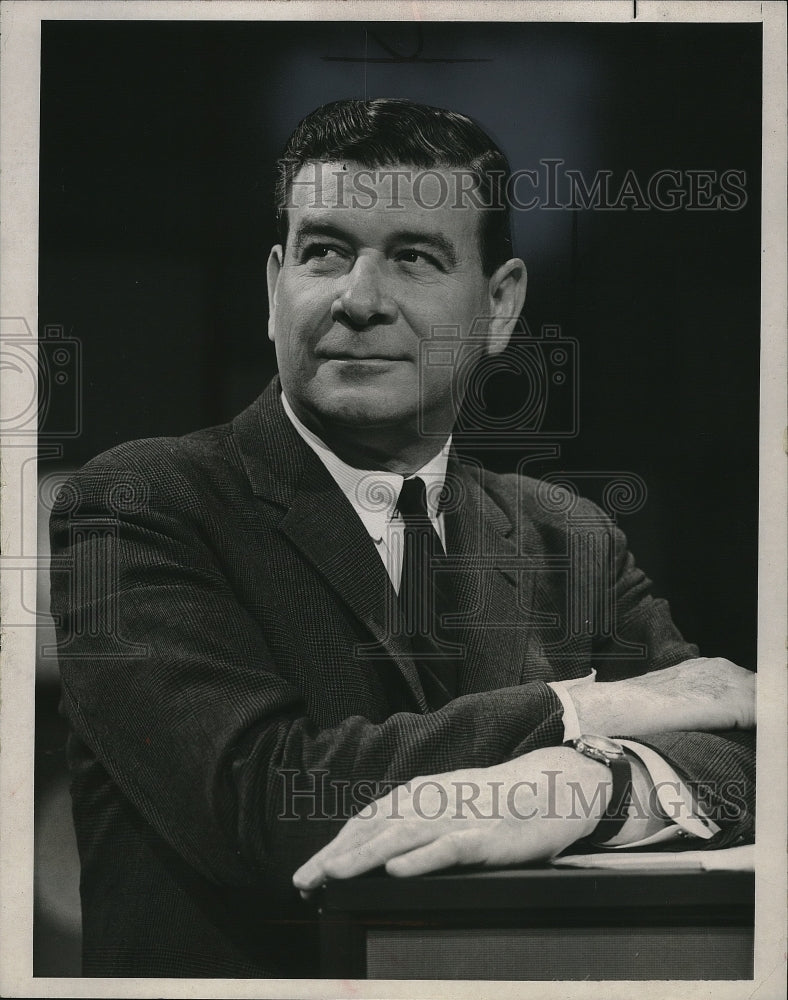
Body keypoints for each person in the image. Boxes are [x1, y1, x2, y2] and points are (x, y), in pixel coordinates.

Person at [49, 98, 755, 978]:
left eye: (414, 258)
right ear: (275, 288)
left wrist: (598, 783)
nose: (357, 299)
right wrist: (591, 712)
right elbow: (273, 807)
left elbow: (745, 754)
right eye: (324, 252)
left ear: (499, 306)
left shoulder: (570, 537)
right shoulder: (142, 504)